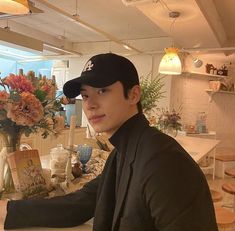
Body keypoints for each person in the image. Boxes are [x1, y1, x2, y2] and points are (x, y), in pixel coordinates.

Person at [0, 53, 218, 230]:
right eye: (85, 96)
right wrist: (11, 210)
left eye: (102, 91)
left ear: (133, 95)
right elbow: (82, 203)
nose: (90, 105)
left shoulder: (164, 161)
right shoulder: (123, 151)